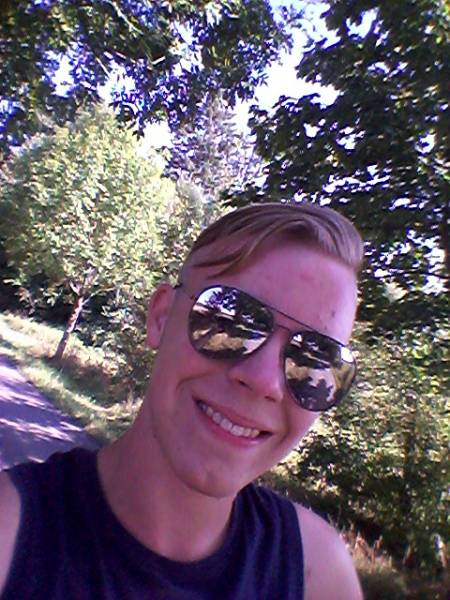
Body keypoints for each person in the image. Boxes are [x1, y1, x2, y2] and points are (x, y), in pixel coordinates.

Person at [0, 202, 364, 599]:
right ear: (161, 316)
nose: (264, 381)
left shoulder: (318, 573)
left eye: (315, 359)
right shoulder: (11, 534)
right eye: (229, 320)